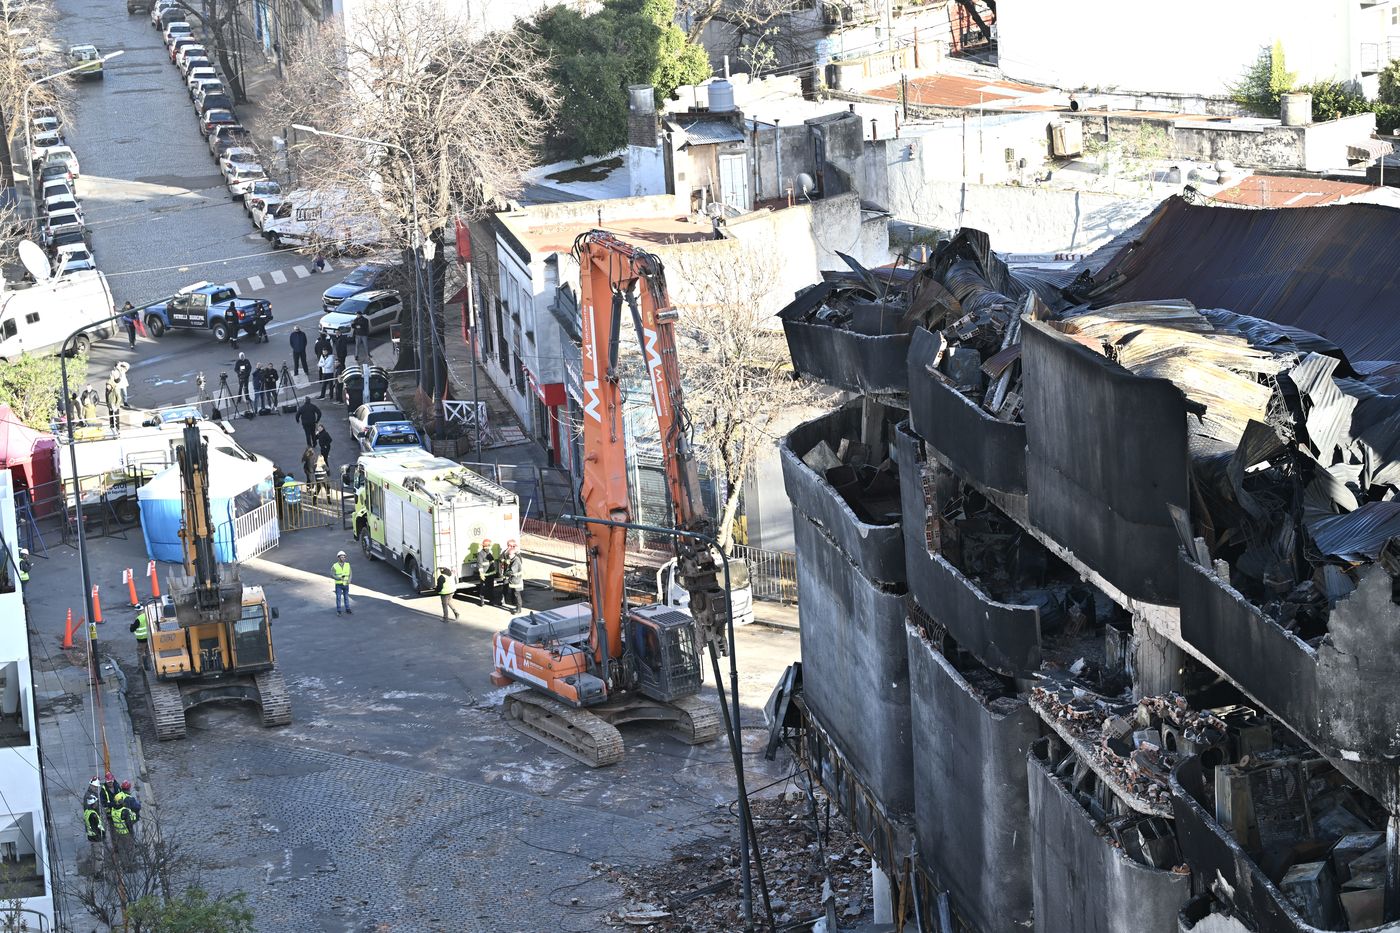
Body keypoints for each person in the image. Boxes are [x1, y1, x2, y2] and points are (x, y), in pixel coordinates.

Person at [499, 539, 524, 612]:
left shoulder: (516, 553)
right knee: (505, 586)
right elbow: (500, 559)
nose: (511, 547)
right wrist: (504, 561)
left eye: (513, 546)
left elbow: (519, 563)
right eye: (509, 545)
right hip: (507, 573)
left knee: (515, 590)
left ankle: (514, 602)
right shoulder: (505, 552)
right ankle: (503, 600)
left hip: (513, 575)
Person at [476, 539, 496, 607]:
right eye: (487, 546)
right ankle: (482, 601)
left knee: (491, 587)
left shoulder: (489, 553)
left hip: (491, 573)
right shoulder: (480, 554)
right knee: (483, 588)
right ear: (484, 546)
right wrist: (481, 573)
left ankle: (491, 601)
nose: (488, 547)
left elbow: (492, 562)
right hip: (484, 574)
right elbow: (479, 564)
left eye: (489, 546)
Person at [332, 550, 352, 615]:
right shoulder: (335, 565)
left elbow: (350, 573)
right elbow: (332, 574)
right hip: (338, 584)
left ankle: (348, 609)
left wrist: (349, 580)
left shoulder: (347, 565)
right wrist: (338, 578)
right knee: (338, 597)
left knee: (346, 597)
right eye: (342, 557)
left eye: (344, 557)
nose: (343, 558)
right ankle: (339, 610)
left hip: (346, 584)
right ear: (338, 558)